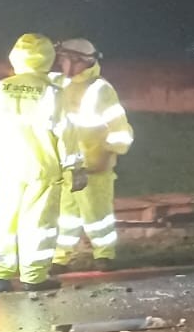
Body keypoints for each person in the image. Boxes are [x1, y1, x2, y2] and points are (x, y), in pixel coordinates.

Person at [0, 33, 80, 292]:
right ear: (48, 59)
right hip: (41, 166)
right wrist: (75, 166)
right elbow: (66, 133)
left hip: (6, 165)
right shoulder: (52, 92)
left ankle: (1, 275)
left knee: (5, 218)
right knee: (38, 223)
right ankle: (34, 276)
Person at [51, 38, 133, 271]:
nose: (60, 64)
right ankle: (60, 257)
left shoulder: (101, 89)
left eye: (64, 59)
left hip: (94, 167)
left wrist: (106, 155)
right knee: (65, 215)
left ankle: (104, 255)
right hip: (68, 166)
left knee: (98, 214)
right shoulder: (61, 83)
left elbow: (120, 131)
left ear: (79, 61)